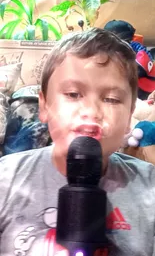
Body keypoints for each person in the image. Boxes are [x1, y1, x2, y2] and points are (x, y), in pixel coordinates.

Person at [0, 27, 155, 256]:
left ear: (131, 113)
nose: (91, 111)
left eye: (111, 99)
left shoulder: (149, 187)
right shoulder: (6, 181)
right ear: (44, 106)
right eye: (73, 94)